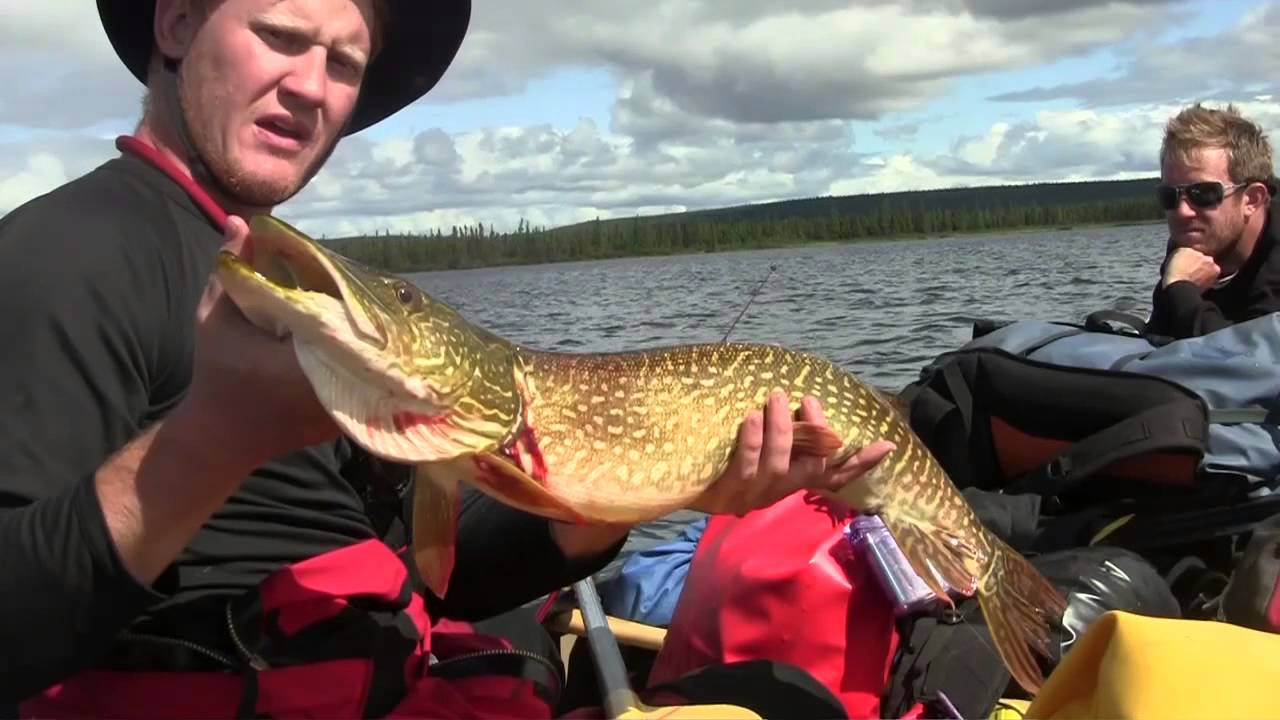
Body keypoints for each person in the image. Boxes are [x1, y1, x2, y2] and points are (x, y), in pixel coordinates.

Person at [0, 1, 894, 717]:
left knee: (778, 697)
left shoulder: (284, 279)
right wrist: (212, 439)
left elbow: (435, 576)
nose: (310, 87)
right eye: (279, 37)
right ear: (179, 24)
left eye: (342, 63)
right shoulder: (63, 256)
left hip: (401, 675)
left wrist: (636, 492)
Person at [1146, 102, 1279, 340]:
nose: (1183, 211)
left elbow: (1255, 362)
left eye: (1204, 194)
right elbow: (1158, 339)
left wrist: (1181, 290)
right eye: (1170, 196)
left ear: (1252, 199)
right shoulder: (1190, 246)